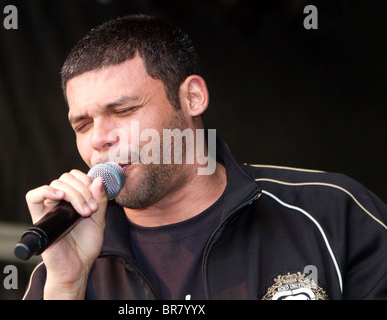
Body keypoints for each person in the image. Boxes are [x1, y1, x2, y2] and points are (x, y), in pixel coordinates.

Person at [23, 14, 387, 300]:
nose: (100, 139)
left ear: (192, 98)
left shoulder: (332, 213)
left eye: (124, 110)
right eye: (83, 125)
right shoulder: (64, 268)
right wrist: (67, 287)